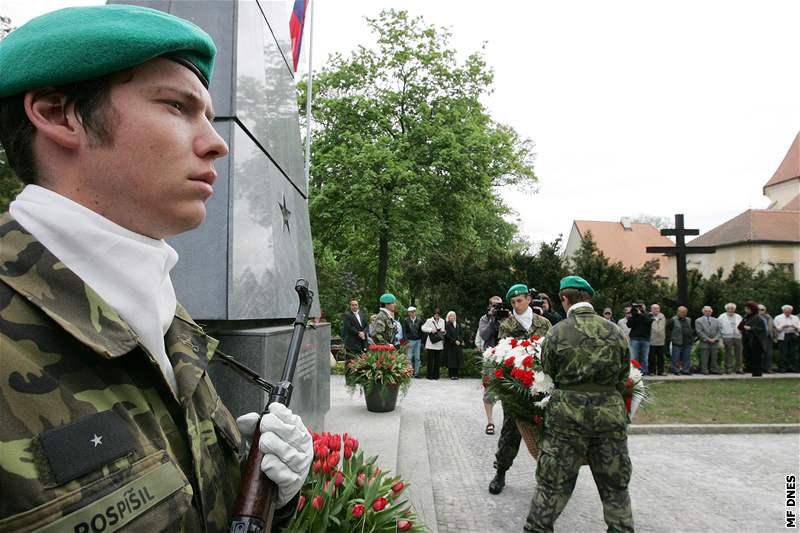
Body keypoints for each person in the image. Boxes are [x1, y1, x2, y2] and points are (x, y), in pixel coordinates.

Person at [0, 5, 312, 531]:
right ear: (57, 114)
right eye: (176, 106)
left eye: (208, 117)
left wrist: (267, 499)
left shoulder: (164, 314)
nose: (217, 143)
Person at [524, 276, 633, 533]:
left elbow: (549, 371)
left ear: (564, 298)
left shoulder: (557, 332)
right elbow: (623, 375)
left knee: (551, 485)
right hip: (609, 415)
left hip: (567, 416)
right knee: (615, 486)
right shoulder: (615, 331)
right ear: (588, 298)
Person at [489, 283, 552, 495]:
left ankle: (546, 476)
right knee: (510, 431)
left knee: (544, 431)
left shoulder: (544, 323)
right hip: (516, 386)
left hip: (540, 385)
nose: (517, 305)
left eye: (520, 300)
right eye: (513, 302)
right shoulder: (507, 324)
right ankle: (501, 472)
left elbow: (550, 351)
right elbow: (503, 353)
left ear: (528, 299)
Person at [478, 295, 505, 435]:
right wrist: (492, 319)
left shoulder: (507, 317)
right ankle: (490, 421)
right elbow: (484, 335)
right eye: (495, 305)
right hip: (490, 357)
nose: (497, 308)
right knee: (489, 391)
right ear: (489, 306)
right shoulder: (485, 319)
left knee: (509, 390)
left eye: (499, 305)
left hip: (507, 356)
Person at [342, 298, 369, 384]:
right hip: (351, 342)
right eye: (352, 305)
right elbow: (348, 327)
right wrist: (358, 333)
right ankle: (349, 380)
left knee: (360, 360)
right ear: (350, 306)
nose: (354, 306)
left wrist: (363, 333)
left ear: (358, 305)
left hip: (361, 342)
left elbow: (367, 326)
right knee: (350, 361)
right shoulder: (347, 315)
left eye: (356, 305)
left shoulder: (362, 314)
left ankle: (358, 379)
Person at [739, 301, 767, 377]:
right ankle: (751, 370)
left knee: (756, 357)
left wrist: (751, 328)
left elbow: (761, 329)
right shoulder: (746, 317)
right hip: (747, 340)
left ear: (751, 309)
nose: (745, 310)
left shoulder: (758, 318)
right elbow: (740, 326)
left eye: (746, 308)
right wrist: (742, 327)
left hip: (756, 341)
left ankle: (757, 373)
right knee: (749, 356)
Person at [626, 303, 653, 374]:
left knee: (644, 357)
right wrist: (632, 316)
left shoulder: (648, 315)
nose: (640, 308)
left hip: (645, 339)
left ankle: (644, 372)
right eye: (639, 306)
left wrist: (641, 314)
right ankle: (634, 372)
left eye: (641, 306)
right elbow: (629, 325)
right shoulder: (634, 315)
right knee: (634, 357)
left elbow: (649, 322)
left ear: (644, 307)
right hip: (634, 338)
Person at [695, 306, 723, 374]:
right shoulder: (698, 320)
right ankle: (704, 370)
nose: (708, 312)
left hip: (715, 342)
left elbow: (720, 330)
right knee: (704, 357)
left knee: (714, 357)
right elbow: (699, 331)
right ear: (703, 312)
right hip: (704, 342)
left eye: (709, 311)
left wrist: (715, 338)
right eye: (706, 311)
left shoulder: (716, 320)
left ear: (711, 312)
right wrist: (708, 339)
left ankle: (713, 369)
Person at [719, 303, 744, 374]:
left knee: (739, 353)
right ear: (726, 309)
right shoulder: (721, 316)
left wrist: (741, 332)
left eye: (732, 308)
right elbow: (719, 327)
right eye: (729, 308)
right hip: (727, 336)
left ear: (734, 309)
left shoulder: (738, 316)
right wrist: (721, 337)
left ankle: (739, 368)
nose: (730, 310)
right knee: (728, 353)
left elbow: (742, 325)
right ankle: (728, 369)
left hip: (738, 336)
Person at [668, 306, 694, 375]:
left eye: (685, 312)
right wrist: (672, 338)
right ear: (678, 312)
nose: (684, 313)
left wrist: (691, 340)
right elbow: (668, 330)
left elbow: (690, 330)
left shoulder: (688, 319)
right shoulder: (673, 320)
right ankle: (675, 370)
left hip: (687, 341)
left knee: (687, 357)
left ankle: (686, 370)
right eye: (682, 312)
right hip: (677, 341)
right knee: (675, 357)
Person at [422, 307, 446, 380]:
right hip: (431, 343)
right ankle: (429, 375)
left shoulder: (442, 321)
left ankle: (436, 375)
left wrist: (443, 332)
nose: (437, 316)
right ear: (434, 314)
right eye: (436, 314)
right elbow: (423, 328)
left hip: (439, 343)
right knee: (430, 361)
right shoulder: (429, 320)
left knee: (437, 361)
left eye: (438, 315)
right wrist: (430, 330)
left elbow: (443, 330)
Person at [774, 305, 800, 372]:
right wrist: (783, 326)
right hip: (783, 335)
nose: (788, 313)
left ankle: (794, 367)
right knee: (783, 352)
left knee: (793, 352)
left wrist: (795, 327)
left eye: (789, 311)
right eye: (786, 311)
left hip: (793, 335)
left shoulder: (795, 318)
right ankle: (782, 368)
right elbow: (777, 329)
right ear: (783, 311)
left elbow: (799, 328)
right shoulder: (778, 317)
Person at [402, 306, 425, 377]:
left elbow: (422, 332)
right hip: (409, 341)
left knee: (417, 358)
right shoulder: (406, 320)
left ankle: (417, 373)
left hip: (418, 341)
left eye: (414, 312)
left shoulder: (420, 320)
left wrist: (422, 342)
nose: (413, 313)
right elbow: (404, 332)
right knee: (409, 357)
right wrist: (406, 341)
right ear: (409, 313)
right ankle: (409, 373)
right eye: (411, 312)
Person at [444, 311, 465, 379]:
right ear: (448, 317)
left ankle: (456, 374)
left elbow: (461, 334)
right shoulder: (447, 325)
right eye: (451, 316)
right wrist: (454, 341)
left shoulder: (458, 324)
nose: (452, 317)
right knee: (451, 361)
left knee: (457, 360)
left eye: (454, 316)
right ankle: (451, 375)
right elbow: (447, 335)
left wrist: (459, 340)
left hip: (458, 345)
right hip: (450, 345)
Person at [758, 304, 777, 373]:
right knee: (759, 354)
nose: (760, 311)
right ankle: (759, 369)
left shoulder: (769, 317)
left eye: (762, 310)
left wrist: (775, 337)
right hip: (758, 338)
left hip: (768, 337)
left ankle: (768, 368)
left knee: (768, 354)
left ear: (765, 310)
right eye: (759, 309)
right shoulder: (754, 317)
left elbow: (774, 327)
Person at [649, 303, 667, 376]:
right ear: (651, 309)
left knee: (661, 357)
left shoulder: (662, 316)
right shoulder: (649, 315)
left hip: (661, 340)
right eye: (654, 308)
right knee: (651, 357)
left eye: (657, 308)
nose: (656, 310)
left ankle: (661, 371)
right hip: (651, 339)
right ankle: (652, 371)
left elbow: (662, 326)